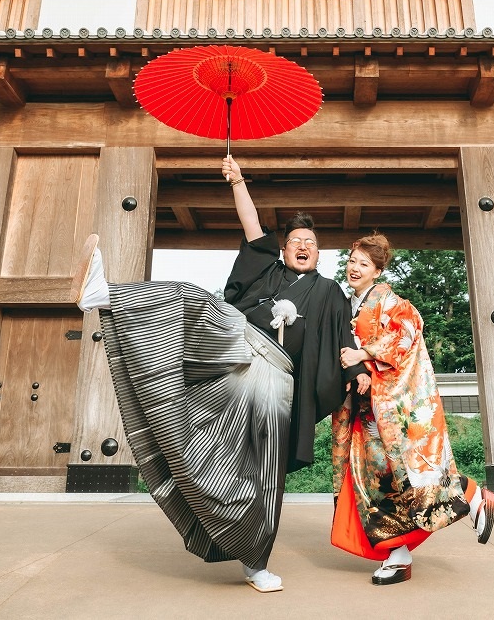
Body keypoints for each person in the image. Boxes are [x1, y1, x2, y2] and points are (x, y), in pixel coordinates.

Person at [71, 156, 363, 594]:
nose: (303, 245)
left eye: (312, 242)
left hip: (276, 385)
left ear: (319, 253)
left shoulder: (330, 292)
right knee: (189, 298)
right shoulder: (269, 268)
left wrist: (359, 371)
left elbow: (343, 344)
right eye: (296, 240)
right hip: (235, 350)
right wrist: (240, 181)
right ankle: (106, 294)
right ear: (284, 249)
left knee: (262, 476)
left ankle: (254, 560)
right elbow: (252, 226)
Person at [330, 232, 494, 585]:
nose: (354, 268)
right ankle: (398, 553)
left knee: (406, 477)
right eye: (351, 261)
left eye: (364, 263)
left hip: (391, 410)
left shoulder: (391, 301)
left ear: (377, 271)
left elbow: (407, 333)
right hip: (366, 413)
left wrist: (364, 353)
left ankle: (469, 494)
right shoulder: (353, 303)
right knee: (377, 485)